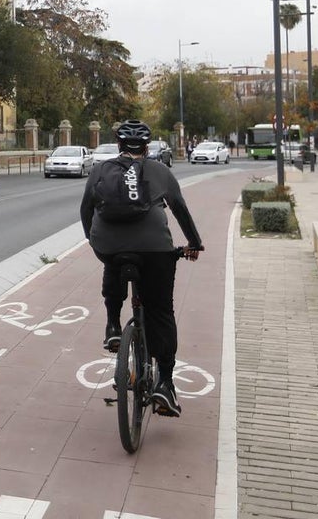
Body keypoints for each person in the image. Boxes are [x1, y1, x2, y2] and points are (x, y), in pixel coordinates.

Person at [80, 120, 204, 417]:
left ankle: (113, 326)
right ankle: (165, 384)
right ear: (147, 148)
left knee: (114, 261)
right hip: (155, 250)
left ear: (119, 145)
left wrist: (94, 239)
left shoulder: (100, 170)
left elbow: (86, 209)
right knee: (161, 310)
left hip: (107, 244)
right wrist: (194, 243)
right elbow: (180, 209)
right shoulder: (160, 171)